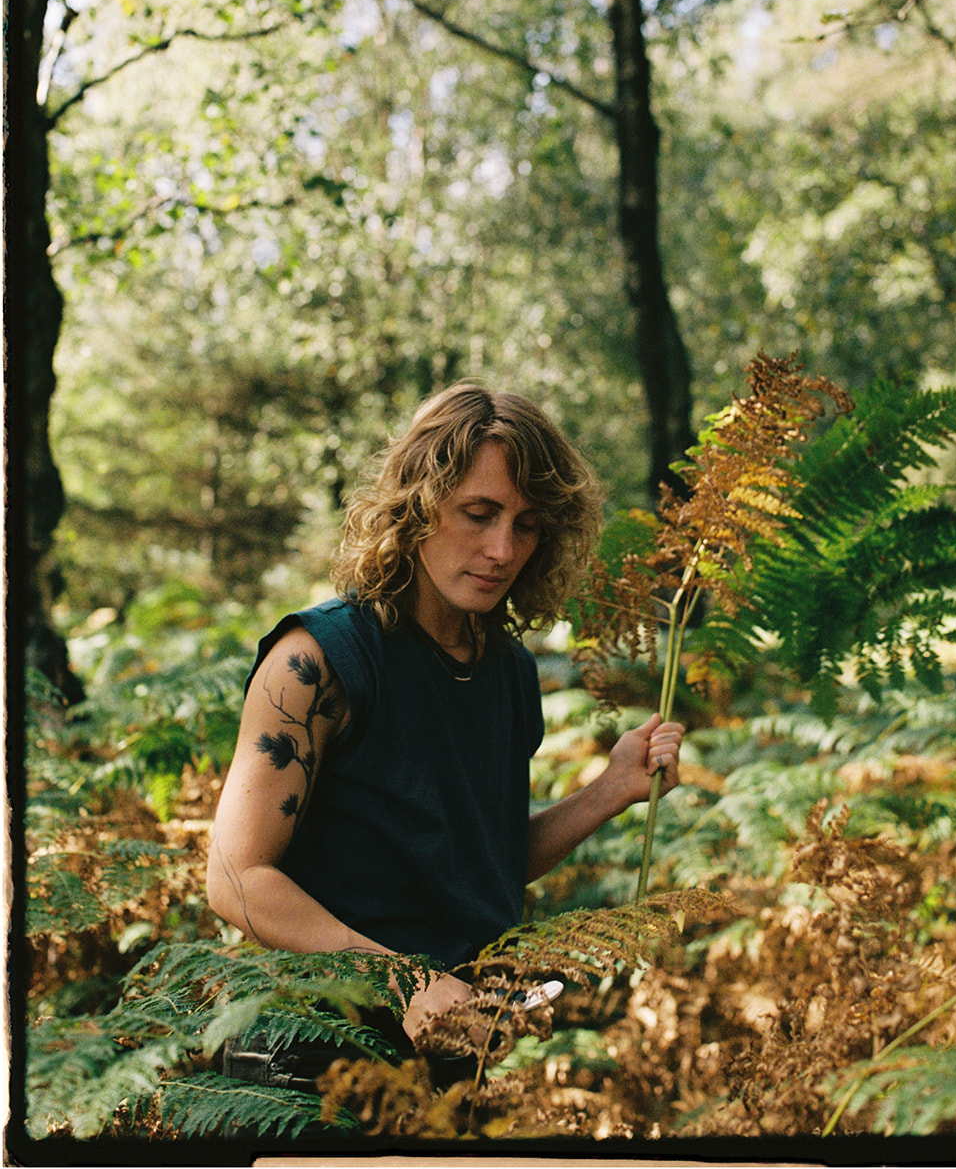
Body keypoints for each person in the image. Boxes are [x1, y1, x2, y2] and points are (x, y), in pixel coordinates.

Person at [206, 383, 683, 1057]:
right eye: (478, 513)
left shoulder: (508, 671)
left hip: (456, 1050)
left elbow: (471, 865)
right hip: (308, 1050)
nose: (501, 549)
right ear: (417, 507)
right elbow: (235, 881)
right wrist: (401, 981)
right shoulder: (318, 662)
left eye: (526, 524)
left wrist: (609, 792)